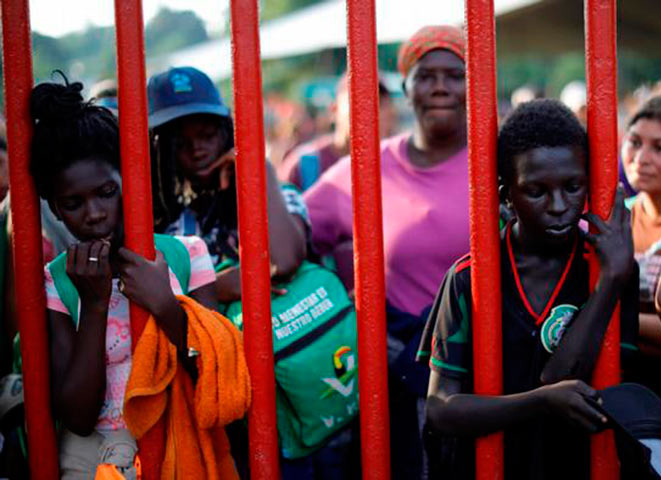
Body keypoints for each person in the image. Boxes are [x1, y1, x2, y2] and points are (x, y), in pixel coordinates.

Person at [29, 75, 249, 478]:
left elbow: (216, 375)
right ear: (55, 209)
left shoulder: (185, 256)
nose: (93, 213)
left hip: (177, 446)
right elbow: (77, 417)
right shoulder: (57, 282)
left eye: (106, 193)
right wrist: (94, 305)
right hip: (93, 460)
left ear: (130, 182)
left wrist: (165, 306)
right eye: (73, 203)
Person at [148, 67, 359, 480]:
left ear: (227, 131)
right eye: (180, 139)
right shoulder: (158, 224)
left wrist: (256, 169)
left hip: (304, 397)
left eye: (207, 133)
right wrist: (224, 283)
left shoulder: (272, 195)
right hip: (218, 408)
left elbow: (283, 260)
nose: (196, 149)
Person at [419, 99, 639, 479]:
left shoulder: (609, 271)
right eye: (536, 191)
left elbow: (567, 376)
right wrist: (538, 403)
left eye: (573, 187)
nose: (558, 206)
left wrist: (612, 281)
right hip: (487, 466)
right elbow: (440, 409)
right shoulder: (469, 278)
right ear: (507, 197)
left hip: (573, 464)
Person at [303, 25, 470, 479]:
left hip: (487, 377)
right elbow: (296, 231)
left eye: (454, 74)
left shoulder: (497, 161)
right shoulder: (364, 168)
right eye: (426, 74)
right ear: (407, 86)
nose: (439, 86)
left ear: (473, 82)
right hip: (391, 384)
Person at [278, 74, 397, 191]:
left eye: (379, 104)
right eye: (359, 101)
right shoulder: (303, 165)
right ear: (334, 110)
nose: (370, 111)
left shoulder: (398, 165)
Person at [620, 96, 661, 392]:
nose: (641, 158)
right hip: (624, 384)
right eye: (635, 142)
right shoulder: (617, 217)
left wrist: (609, 315)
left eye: (659, 148)